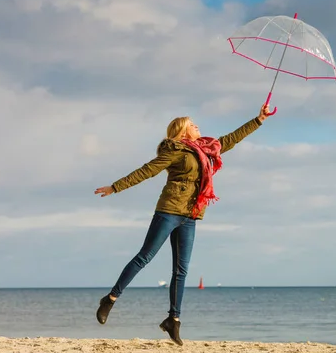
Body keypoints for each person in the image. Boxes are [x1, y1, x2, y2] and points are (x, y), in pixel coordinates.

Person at [93, 103, 271, 345]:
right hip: (168, 211)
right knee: (144, 257)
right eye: (192, 124)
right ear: (183, 132)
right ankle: (110, 299)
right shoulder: (175, 151)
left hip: (191, 214)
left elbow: (231, 139)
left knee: (181, 270)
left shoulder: (207, 149)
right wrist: (115, 187)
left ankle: (173, 321)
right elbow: (147, 170)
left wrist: (258, 119)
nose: (197, 126)